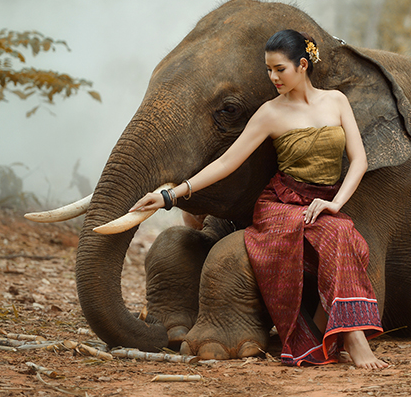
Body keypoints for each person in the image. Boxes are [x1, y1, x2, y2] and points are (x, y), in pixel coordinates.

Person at [130, 29, 387, 369]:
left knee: (349, 240)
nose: (273, 77)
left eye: (280, 68)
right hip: (281, 204)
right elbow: (226, 162)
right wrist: (170, 195)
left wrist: (335, 203)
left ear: (303, 65)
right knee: (339, 235)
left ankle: (325, 334)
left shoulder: (336, 102)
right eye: (269, 69)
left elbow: (359, 160)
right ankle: (353, 340)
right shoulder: (270, 113)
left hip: (322, 202)